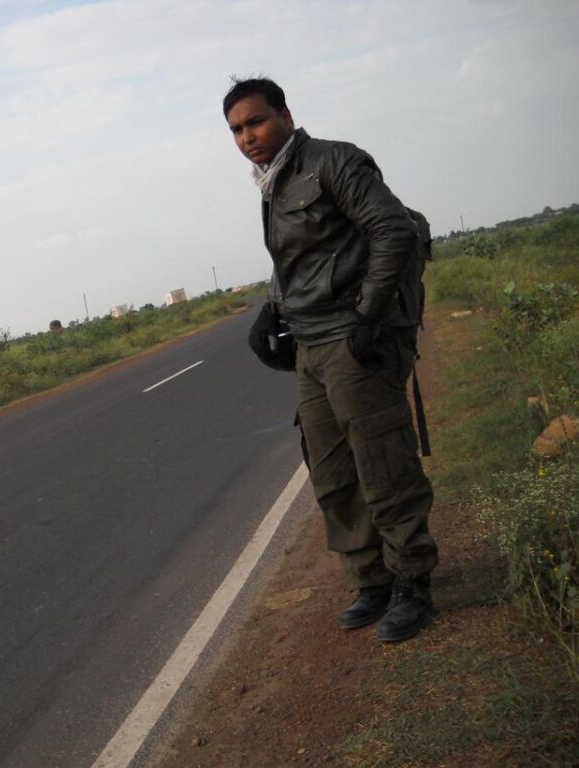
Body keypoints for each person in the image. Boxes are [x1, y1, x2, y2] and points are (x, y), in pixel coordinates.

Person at [223, 77, 438, 642]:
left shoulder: (332, 162)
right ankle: (372, 582)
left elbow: (392, 231)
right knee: (333, 470)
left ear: (285, 114)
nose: (247, 137)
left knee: (383, 464)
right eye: (237, 130)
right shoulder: (272, 183)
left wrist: (369, 316)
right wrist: (271, 309)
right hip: (311, 345)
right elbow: (297, 259)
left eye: (256, 122)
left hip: (353, 338)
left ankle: (414, 584)